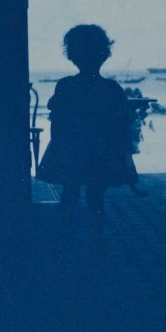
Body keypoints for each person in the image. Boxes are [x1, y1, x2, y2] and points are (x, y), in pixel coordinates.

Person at [37, 24, 138, 224]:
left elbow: (57, 123)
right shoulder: (111, 88)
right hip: (101, 151)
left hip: (72, 149)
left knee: (70, 191)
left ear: (72, 56)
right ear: (104, 55)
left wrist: (58, 146)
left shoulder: (65, 85)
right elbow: (122, 124)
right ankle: (96, 239)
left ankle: (65, 235)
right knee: (96, 195)